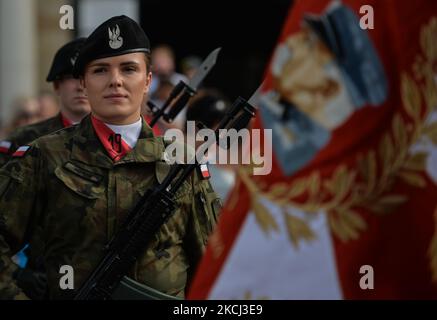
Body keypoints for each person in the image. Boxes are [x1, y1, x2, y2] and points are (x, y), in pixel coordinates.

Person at [0, 15, 220, 300]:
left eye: (129, 69)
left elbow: (214, 266)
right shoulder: (45, 156)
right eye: (100, 70)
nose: (115, 81)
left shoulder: (181, 163)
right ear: (84, 82)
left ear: (147, 81)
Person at [0, 38, 91, 167]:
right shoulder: (23, 139)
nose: (80, 86)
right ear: (56, 86)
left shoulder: (118, 137)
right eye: (72, 77)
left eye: (88, 76)